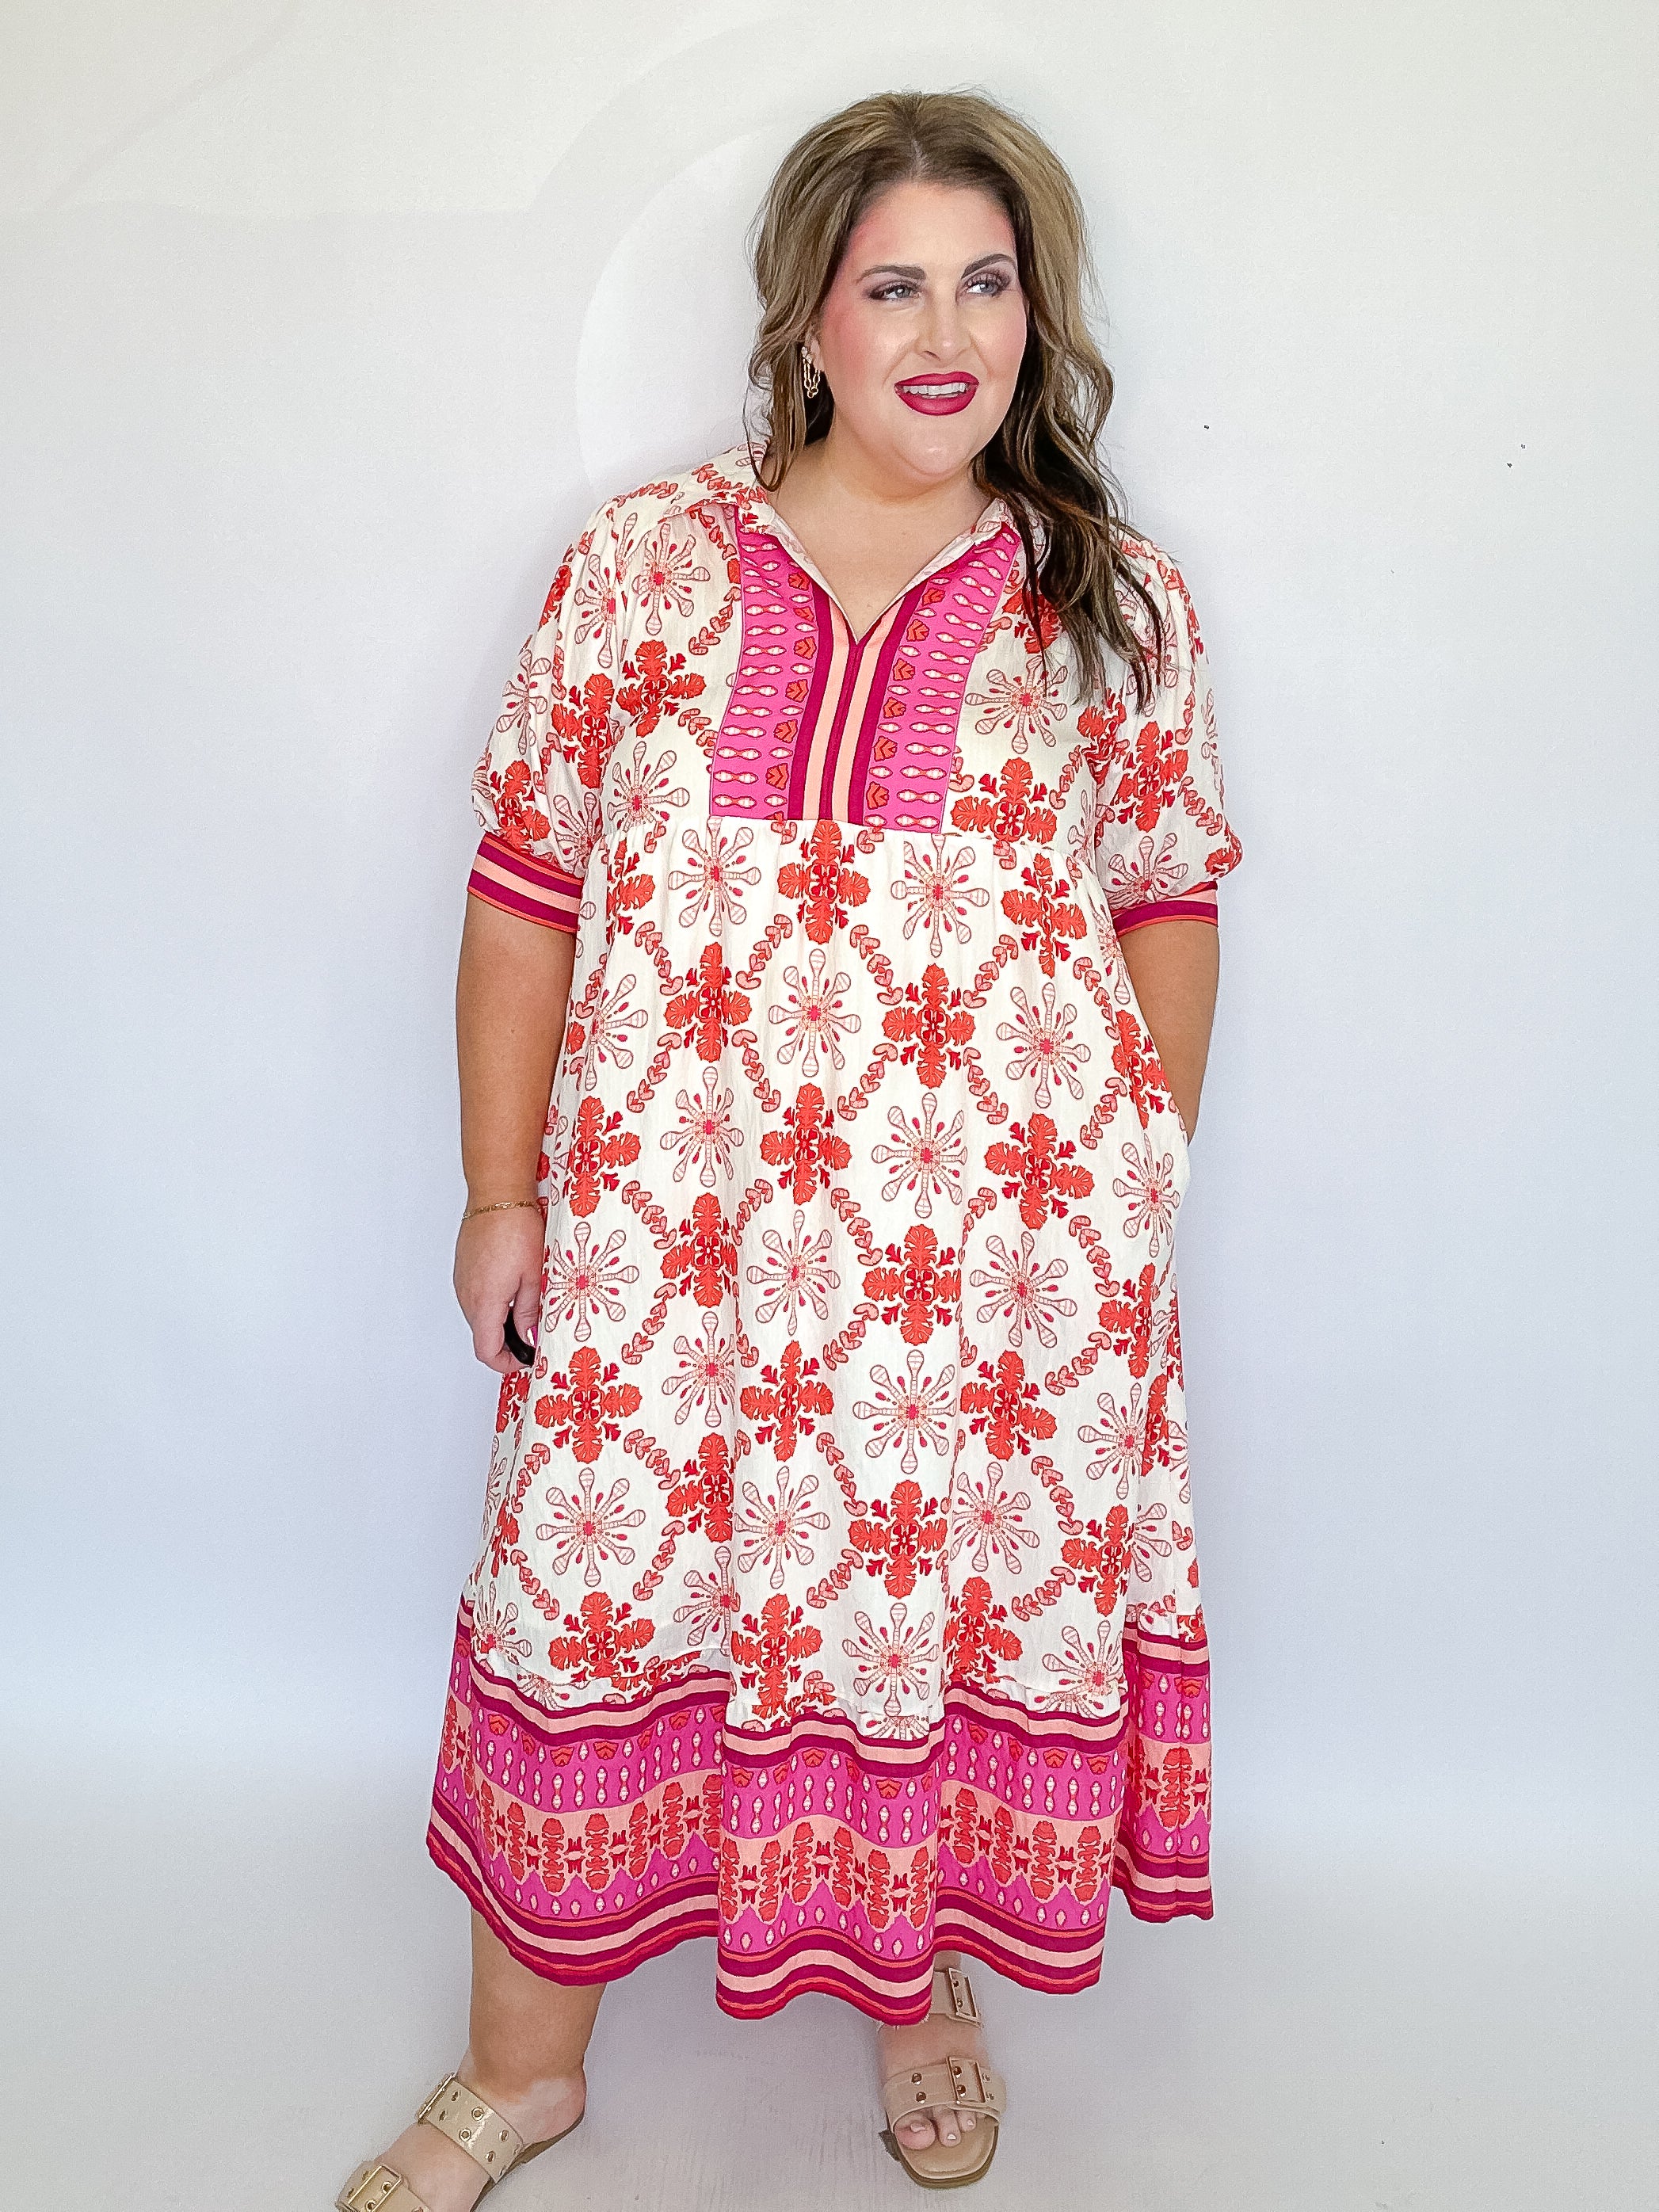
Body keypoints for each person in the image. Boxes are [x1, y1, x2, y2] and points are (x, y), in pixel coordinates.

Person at [338, 86, 1240, 2210]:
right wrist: (500, 1192)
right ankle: (521, 2075)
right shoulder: (647, 568)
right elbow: (526, 894)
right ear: (806, 317)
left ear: (1040, 313)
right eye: (893, 284)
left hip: (985, 1284)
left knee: (937, 1616)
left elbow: (1169, 899)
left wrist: (1134, 1184)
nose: (949, 334)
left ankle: (924, 1999)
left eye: (990, 284)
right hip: (675, 1251)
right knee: (587, 1601)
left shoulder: (1105, 602)